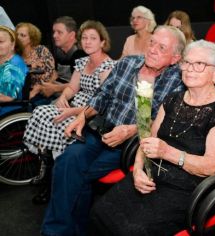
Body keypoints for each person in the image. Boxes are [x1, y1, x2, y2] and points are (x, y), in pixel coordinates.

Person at [40, 25, 186, 236]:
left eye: (161, 47)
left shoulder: (177, 81)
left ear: (174, 58)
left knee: (76, 175)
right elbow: (102, 95)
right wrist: (84, 114)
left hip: (131, 146)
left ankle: (65, 231)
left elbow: (166, 121)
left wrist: (132, 130)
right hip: (101, 131)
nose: (152, 49)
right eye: (152, 42)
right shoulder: (127, 63)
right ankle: (59, 231)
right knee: (66, 162)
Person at [90, 39, 215, 236]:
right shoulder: (173, 99)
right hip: (150, 176)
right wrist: (137, 171)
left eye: (200, 64)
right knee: (99, 212)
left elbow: (210, 166)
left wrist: (168, 152)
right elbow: (147, 139)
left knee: (132, 231)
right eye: (186, 62)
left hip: (185, 189)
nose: (189, 69)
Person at [23, 20, 115, 205]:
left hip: (92, 112)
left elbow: (103, 104)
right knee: (41, 111)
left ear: (103, 42)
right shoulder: (82, 62)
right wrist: (64, 96)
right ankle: (50, 166)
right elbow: (72, 87)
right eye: (85, 38)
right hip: (75, 104)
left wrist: (71, 110)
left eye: (93, 38)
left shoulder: (108, 67)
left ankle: (57, 176)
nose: (87, 42)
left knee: (57, 120)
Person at [36, 16, 86, 99]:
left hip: (74, 98)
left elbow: (82, 84)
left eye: (59, 32)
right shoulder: (59, 51)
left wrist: (54, 88)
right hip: (58, 93)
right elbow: (55, 74)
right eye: (54, 32)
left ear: (72, 35)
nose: (54, 35)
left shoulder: (80, 54)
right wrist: (47, 85)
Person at [15, 22, 56, 99]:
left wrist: (36, 90)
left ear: (31, 38)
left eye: (22, 35)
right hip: (21, 92)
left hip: (43, 90)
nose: (18, 38)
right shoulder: (13, 53)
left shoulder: (41, 50)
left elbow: (50, 74)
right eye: (17, 35)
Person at [0, 25, 28, 116]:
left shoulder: (14, 65)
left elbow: (8, 97)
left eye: (0, 41)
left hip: (7, 109)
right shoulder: (4, 62)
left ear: (12, 45)